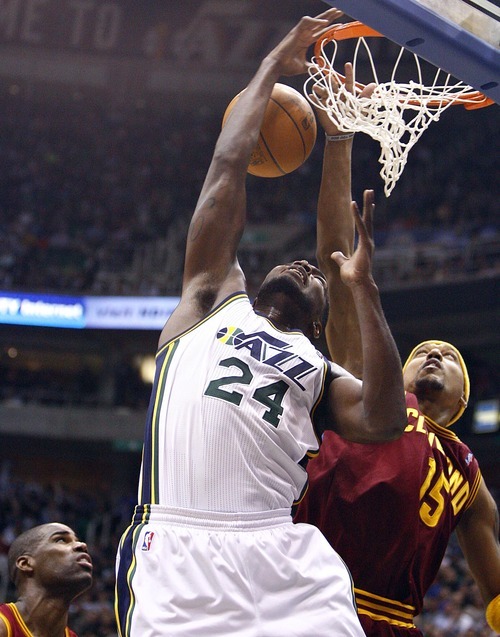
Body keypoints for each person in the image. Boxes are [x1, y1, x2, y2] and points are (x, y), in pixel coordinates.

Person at [114, 9, 408, 637]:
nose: (307, 264)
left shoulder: (323, 373)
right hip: (180, 543)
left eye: (319, 278)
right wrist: (273, 63)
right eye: (297, 263)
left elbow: (384, 421)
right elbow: (226, 167)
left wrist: (366, 292)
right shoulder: (209, 301)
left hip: (283, 552)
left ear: (323, 318)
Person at [294, 63, 500, 636]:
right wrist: (337, 138)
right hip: (302, 594)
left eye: (450, 356)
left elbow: (497, 592)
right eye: (424, 350)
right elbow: (335, 257)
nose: (435, 354)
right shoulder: (364, 390)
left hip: (390, 623)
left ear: (461, 401)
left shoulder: (469, 476)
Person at [0, 522, 93, 637]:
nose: (82, 545)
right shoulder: (4, 624)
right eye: (61, 540)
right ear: (25, 563)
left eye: (76, 540)